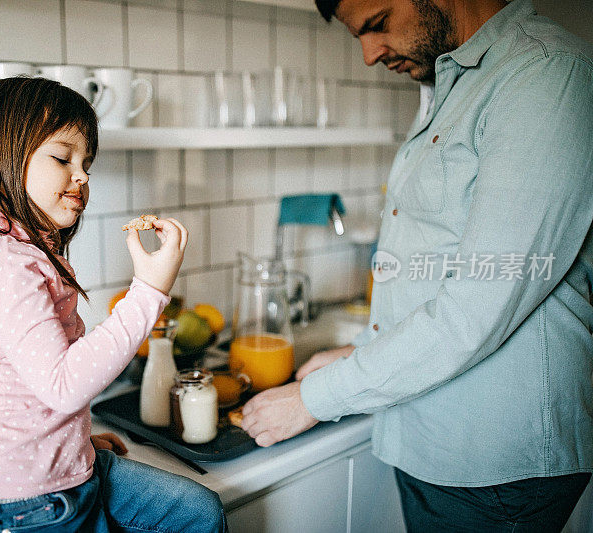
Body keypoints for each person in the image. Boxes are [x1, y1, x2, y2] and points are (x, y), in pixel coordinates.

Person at [241, 0, 593, 530]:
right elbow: (437, 269)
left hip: (492, 462)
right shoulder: (451, 82)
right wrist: (357, 351)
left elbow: (477, 305)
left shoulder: (543, 73)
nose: (368, 54)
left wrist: (312, 399)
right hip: (437, 436)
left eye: (378, 24)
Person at [0, 77, 226, 533]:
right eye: (63, 158)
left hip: (59, 474)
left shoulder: (27, 247)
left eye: (87, 163)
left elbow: (33, 390)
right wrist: (148, 290)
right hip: (11, 508)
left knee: (199, 512)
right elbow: (63, 384)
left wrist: (73, 440)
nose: (81, 176)